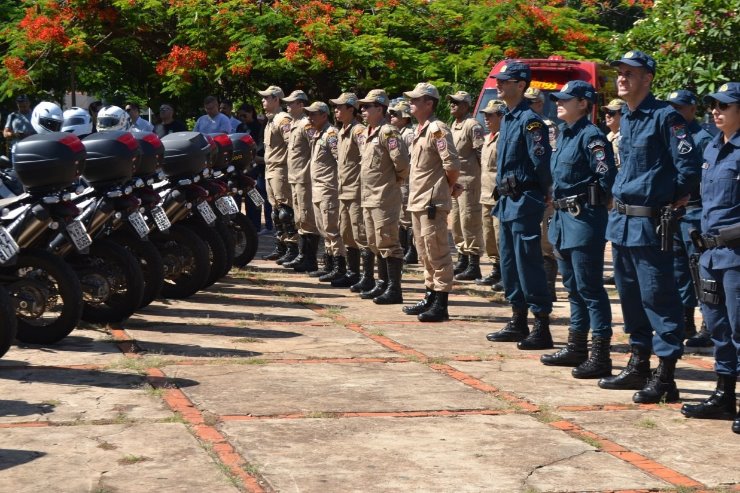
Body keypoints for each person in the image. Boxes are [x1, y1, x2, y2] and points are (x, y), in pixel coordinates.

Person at [597, 50, 702, 404]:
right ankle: (638, 364)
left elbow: (688, 166)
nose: (622, 77)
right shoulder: (626, 118)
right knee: (630, 299)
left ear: (648, 78)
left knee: (660, 298)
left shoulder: (666, 117)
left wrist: (669, 200)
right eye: (620, 72)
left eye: (630, 72)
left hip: (651, 223)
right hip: (623, 221)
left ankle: (666, 376)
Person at [539, 81, 618, 379]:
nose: (558, 103)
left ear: (583, 104)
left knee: (590, 288)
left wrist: (589, 205)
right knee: (572, 287)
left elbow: (605, 178)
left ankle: (600, 355)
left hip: (583, 220)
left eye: (565, 99)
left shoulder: (592, 136)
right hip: (562, 222)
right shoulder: (565, 135)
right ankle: (576, 346)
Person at [680, 82, 740, 434]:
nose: (716, 111)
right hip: (709, 255)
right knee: (718, 327)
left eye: (725, 106)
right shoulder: (713, 148)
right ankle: (723, 395)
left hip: (736, 255)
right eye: (713, 105)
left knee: (739, 330)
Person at [484, 62, 554, 349]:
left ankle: (541, 325)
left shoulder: (530, 120)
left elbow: (541, 161)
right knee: (510, 264)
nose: (499, 85)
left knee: (528, 263)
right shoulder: (508, 118)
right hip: (507, 201)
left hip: (525, 200)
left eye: (505, 80)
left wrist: (545, 192)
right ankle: (518, 319)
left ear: (521, 84)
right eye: (498, 80)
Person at [402, 82, 461, 322]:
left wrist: (445, 188)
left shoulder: (437, 129)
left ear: (429, 103)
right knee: (425, 252)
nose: (411, 103)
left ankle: (441, 303)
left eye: (416, 100)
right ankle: (430, 295)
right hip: (418, 200)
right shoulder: (420, 130)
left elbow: (452, 165)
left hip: (431, 201)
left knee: (437, 252)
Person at [666, 90, 715, 347]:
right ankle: (685, 320)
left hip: (696, 212)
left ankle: (709, 325)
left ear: (693, 110)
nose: (675, 112)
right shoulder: (672, 135)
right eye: (672, 107)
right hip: (676, 212)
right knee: (678, 270)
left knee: (699, 269)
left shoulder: (703, 138)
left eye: (680, 107)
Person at [357, 89, 409, 304]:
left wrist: (394, 182)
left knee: (388, 242)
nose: (363, 110)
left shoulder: (388, 132)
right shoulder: (369, 132)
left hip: (384, 196)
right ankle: (382, 283)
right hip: (369, 196)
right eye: (362, 106)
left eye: (367, 106)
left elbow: (402, 163)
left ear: (380, 108)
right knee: (374, 242)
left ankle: (394, 289)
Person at [329, 92, 369, 290]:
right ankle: (352, 273)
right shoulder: (342, 131)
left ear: (351, 109)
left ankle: (367, 277)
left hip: (356, 191)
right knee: (346, 234)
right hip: (343, 190)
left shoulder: (358, 130)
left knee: (360, 234)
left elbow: (366, 159)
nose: (336, 110)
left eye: (340, 107)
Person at [304, 101, 347, 282]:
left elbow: (340, 160)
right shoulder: (319, 134)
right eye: (309, 114)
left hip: (329, 189)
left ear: (324, 115)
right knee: (323, 229)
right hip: (318, 188)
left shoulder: (331, 134)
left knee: (332, 229)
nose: (310, 118)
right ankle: (329, 265)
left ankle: (339, 267)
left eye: (314, 114)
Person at [524, 86, 559, 301]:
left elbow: (549, 159)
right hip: (527, 190)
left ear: (539, 103)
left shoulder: (547, 126)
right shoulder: (520, 121)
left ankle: (548, 288)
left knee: (546, 241)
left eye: (531, 102)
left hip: (544, 189)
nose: (526, 105)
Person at [447, 91, 485, 282]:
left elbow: (481, 153)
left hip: (470, 182)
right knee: (455, 223)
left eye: (457, 102)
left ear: (466, 106)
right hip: (456, 183)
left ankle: (474, 264)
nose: (452, 105)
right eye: (451, 102)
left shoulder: (473, 125)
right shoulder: (453, 125)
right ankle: (462, 259)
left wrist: (482, 178)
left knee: (470, 222)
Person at [281, 90, 321, 273]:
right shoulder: (295, 124)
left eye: (291, 102)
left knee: (307, 218)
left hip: (305, 179)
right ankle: (302, 255)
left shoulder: (306, 125)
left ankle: (310, 259)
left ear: (301, 105)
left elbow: (317, 150)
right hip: (295, 178)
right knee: (299, 218)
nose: (287, 105)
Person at [258, 86, 298, 262]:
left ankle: (292, 248)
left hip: (281, 169)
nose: (262, 100)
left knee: (285, 211)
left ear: (276, 100)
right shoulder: (270, 120)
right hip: (271, 169)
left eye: (266, 97)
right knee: (275, 211)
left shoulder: (283, 120)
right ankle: (280, 247)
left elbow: (292, 145)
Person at [476, 99, 506, 287]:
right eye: (485, 115)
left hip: (499, 196)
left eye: (491, 115)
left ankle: (506, 272)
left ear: (501, 116)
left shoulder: (504, 138)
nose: (486, 118)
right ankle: (495, 269)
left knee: (499, 236)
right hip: (485, 195)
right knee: (488, 237)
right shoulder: (487, 138)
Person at [389, 100, 417, 265]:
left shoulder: (408, 134)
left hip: (407, 179)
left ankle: (411, 251)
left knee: (407, 215)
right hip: (398, 180)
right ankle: (404, 248)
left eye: (396, 114)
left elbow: (411, 159)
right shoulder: (398, 132)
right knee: (401, 215)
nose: (392, 116)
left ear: (405, 118)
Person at [601, 97, 626, 286]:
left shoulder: (624, 138)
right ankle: (617, 272)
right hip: (609, 193)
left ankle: (622, 273)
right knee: (612, 235)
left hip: (620, 193)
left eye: (612, 113)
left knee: (619, 235)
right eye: (606, 113)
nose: (607, 116)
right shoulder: (608, 137)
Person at [3, 95, 35, 162]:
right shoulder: (12, 116)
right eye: (20, 106)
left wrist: (30, 135)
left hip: (33, 149)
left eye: (25, 106)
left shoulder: (35, 115)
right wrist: (14, 134)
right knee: (16, 171)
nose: (23, 108)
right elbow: (5, 133)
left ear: (29, 103)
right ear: (17, 105)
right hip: (17, 150)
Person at [602, 98, 626, 168]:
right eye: (606, 112)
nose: (607, 115)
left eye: (611, 112)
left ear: (623, 115)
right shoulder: (607, 138)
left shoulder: (628, 137)